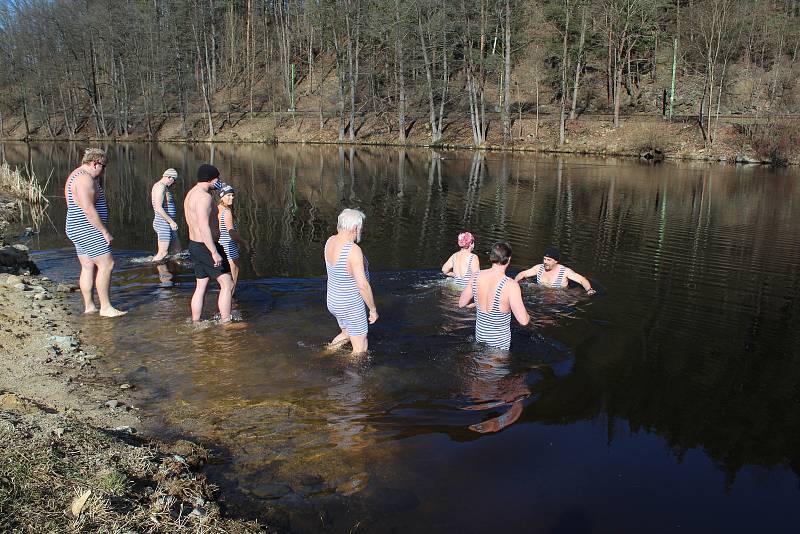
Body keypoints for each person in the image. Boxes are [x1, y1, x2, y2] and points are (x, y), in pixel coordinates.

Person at [64, 148, 126, 317]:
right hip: (87, 228)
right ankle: (106, 308)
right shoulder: (85, 179)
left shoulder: (75, 175)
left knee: (88, 266)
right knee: (107, 263)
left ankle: (90, 307)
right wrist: (104, 232)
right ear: (94, 163)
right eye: (103, 166)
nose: (103, 171)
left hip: (78, 227)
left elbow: (71, 204)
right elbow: (88, 208)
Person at [184, 164, 234, 323]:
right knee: (227, 283)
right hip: (206, 246)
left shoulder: (191, 193)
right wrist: (214, 251)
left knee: (201, 285)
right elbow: (203, 226)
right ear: (211, 179)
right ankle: (226, 322)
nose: (219, 181)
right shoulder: (204, 198)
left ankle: (196, 322)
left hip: (195, 245)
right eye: (217, 178)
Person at [325, 208, 378, 354]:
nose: (360, 232)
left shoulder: (330, 241)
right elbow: (362, 285)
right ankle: (350, 375)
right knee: (360, 349)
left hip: (334, 301)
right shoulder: (353, 250)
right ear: (354, 228)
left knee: (347, 334)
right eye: (360, 228)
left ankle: (324, 354)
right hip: (350, 305)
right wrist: (373, 310)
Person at [459, 242, 529, 350]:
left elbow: (462, 303)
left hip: (479, 340)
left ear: (491, 257)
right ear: (509, 259)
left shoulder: (476, 276)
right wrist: (529, 316)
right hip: (498, 347)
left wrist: (475, 304)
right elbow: (523, 321)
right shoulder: (510, 285)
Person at [514, 246, 596, 295]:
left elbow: (582, 280)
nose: (545, 262)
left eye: (548, 260)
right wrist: (514, 282)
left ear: (556, 261)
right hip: (539, 294)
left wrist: (589, 290)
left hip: (558, 298)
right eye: (544, 259)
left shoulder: (565, 272)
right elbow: (522, 274)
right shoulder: (539, 268)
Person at [217, 185, 249, 295]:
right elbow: (232, 233)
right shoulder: (227, 212)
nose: (232, 197)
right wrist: (244, 242)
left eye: (232, 195)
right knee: (232, 283)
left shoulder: (216, 209)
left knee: (224, 282)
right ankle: (231, 302)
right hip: (229, 247)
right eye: (228, 195)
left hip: (220, 247)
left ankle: (225, 302)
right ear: (221, 197)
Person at [151, 168, 181, 262]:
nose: (173, 183)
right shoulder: (161, 187)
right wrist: (171, 222)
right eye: (173, 180)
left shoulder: (161, 186)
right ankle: (149, 268)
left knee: (178, 251)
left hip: (168, 223)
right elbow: (159, 208)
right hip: (163, 223)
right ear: (169, 177)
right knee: (163, 253)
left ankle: (176, 267)